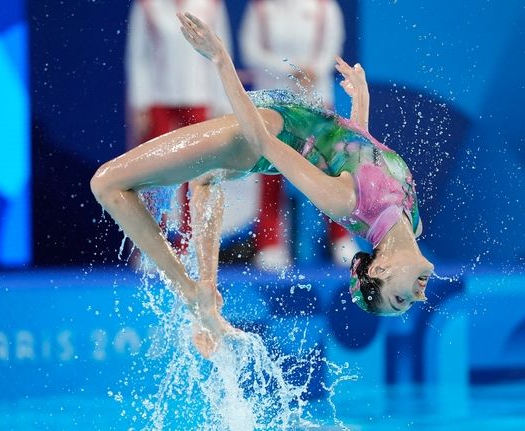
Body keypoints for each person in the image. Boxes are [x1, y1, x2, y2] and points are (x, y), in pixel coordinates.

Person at [91, 13, 434, 358]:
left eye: (400, 298)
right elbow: (356, 154)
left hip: (254, 134)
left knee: (107, 183)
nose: (418, 296)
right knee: (207, 178)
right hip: (277, 116)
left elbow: (262, 142)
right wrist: (361, 103)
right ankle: (207, 288)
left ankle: (190, 291)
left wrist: (220, 59)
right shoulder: (412, 220)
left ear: (381, 268)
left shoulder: (343, 201)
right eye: (404, 301)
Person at [239, 0, 354, 269]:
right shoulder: (261, 9)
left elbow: (331, 50)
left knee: (329, 171)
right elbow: (251, 51)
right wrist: (291, 69)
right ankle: (269, 244)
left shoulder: (326, 8)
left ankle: (341, 239)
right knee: (269, 174)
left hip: (315, 100)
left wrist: (314, 70)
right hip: (275, 102)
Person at [126, 0, 232, 253]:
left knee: (198, 174)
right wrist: (140, 102)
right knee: (155, 174)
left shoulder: (211, 5)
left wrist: (221, 103)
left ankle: (192, 244)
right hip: (159, 99)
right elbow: (138, 57)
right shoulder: (147, 6)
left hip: (200, 98)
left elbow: (221, 54)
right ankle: (153, 246)